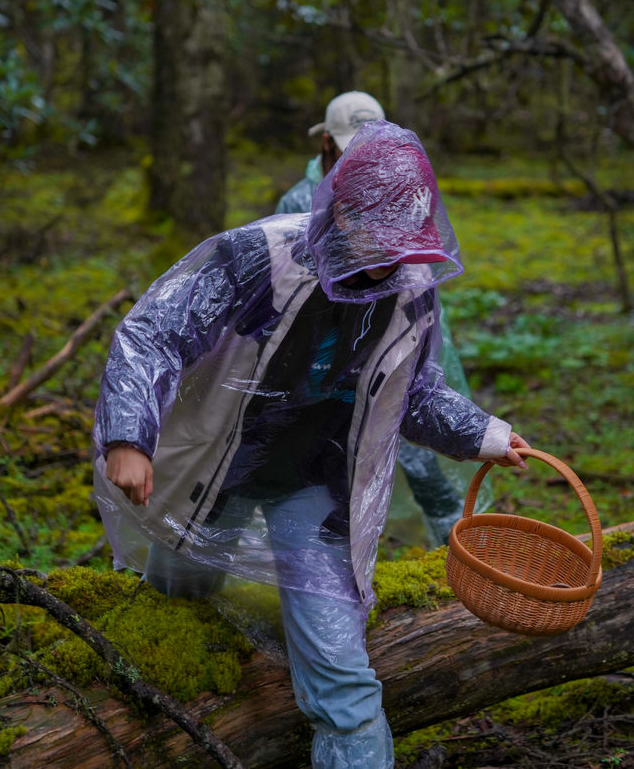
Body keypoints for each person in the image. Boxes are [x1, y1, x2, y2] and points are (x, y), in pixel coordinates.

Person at [93, 119, 529, 769]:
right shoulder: (259, 258)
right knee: (180, 594)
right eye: (374, 235)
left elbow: (415, 394)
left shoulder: (410, 293)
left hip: (319, 485)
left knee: (342, 674)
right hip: (219, 467)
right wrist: (130, 437)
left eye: (401, 241)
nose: (387, 258)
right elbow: (154, 334)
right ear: (340, 208)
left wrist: (484, 434)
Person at [277, 91, 482, 545]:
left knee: (421, 455)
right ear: (326, 142)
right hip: (337, 365)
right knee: (338, 467)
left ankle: (454, 548)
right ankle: (341, 547)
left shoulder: (399, 184)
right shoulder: (298, 203)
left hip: (401, 344)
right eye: (347, 144)